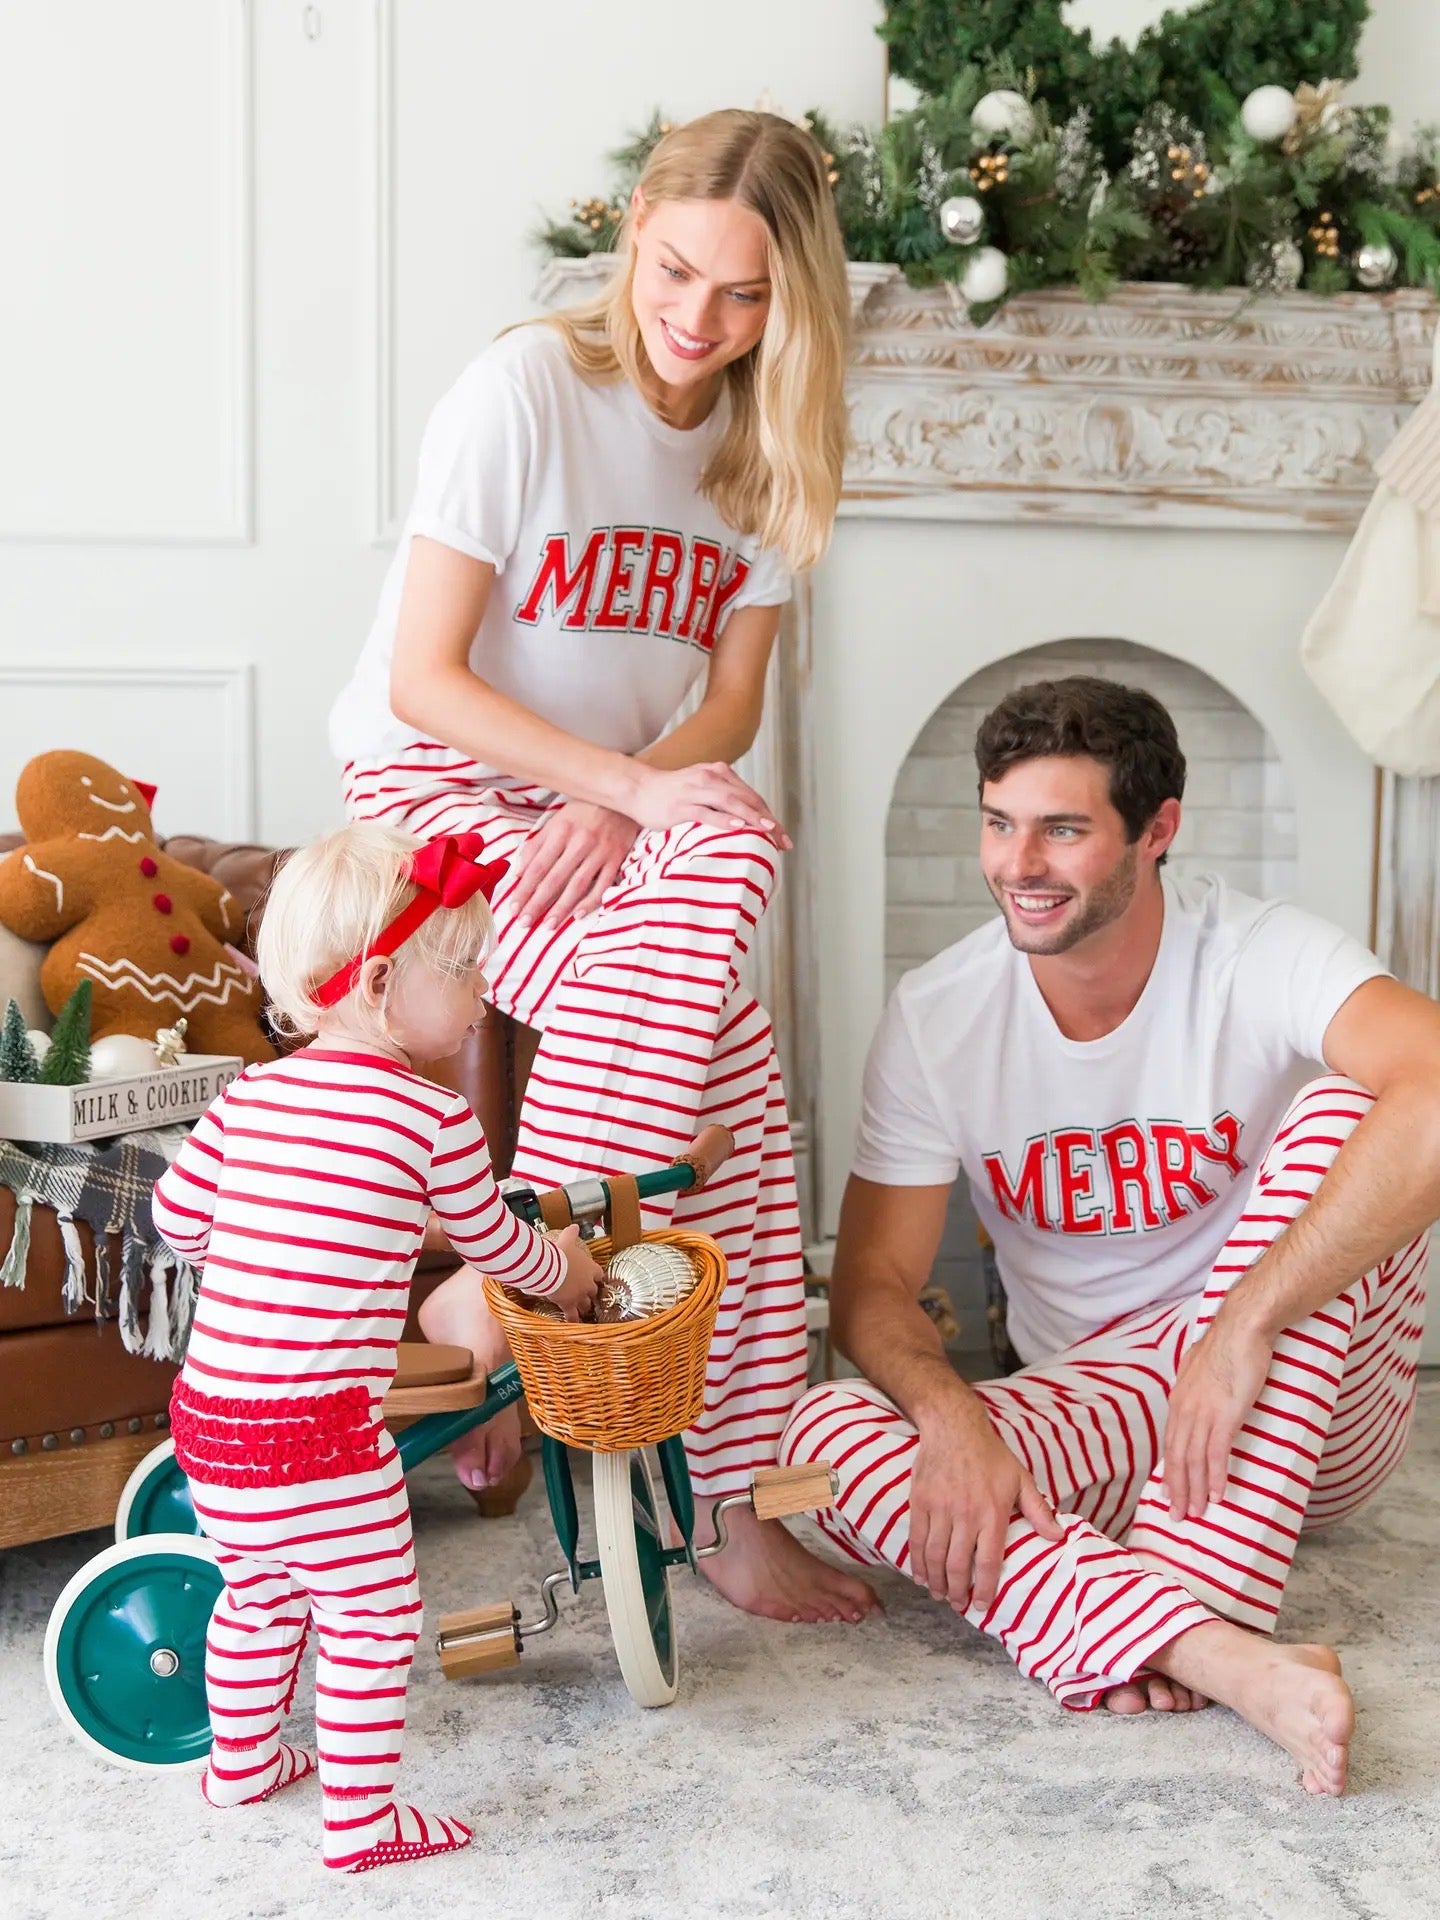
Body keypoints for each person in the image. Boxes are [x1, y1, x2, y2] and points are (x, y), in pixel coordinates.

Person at [328, 108, 875, 1625]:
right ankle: (541, 1324)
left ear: (793, 305)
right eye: (680, 270)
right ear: (636, 224)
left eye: (747, 296)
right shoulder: (523, 393)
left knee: (743, 1080)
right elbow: (426, 680)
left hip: (609, 813)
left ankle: (687, 1463)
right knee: (721, 995)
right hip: (437, 790)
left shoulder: (769, 449)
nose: (700, 321)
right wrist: (622, 787)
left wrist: (631, 807)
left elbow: (733, 708)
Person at [780, 676, 1440, 1795]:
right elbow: (874, 1286)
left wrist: (1238, 1326)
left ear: (1158, 831)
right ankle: (1204, 1646)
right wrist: (951, 1417)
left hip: (1301, 1403)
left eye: (1063, 828)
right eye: (999, 822)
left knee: (1349, 1107)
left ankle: (1190, 1584)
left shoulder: (1258, 955)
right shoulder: (940, 1015)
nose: (1018, 862)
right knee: (821, 1443)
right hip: (1099, 1416)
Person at [151, 823, 602, 1873]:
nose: (484, 998)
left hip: (211, 1424)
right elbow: (499, 1248)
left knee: (257, 1593)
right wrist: (569, 1273)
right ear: (387, 977)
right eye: (469, 971)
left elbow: (175, 1225)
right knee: (370, 1613)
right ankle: (360, 1824)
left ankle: (242, 1765)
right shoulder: (431, 1118)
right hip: (319, 1436)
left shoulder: (248, 1096)